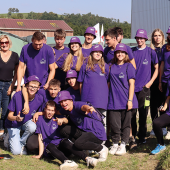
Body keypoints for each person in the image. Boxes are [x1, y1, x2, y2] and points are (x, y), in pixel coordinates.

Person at [32, 100, 98, 169]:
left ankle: (88, 159)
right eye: (48, 110)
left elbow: (66, 120)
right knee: (50, 145)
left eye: (52, 110)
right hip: (51, 150)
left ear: (55, 111)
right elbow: (40, 137)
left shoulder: (57, 117)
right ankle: (67, 162)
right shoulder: (40, 119)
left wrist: (62, 120)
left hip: (62, 146)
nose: (50, 112)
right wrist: (40, 154)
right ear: (45, 109)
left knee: (65, 141)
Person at [58, 90, 108, 162]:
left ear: (71, 100)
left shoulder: (76, 105)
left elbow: (83, 106)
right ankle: (85, 149)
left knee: (78, 144)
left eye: (65, 100)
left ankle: (101, 148)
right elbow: (57, 112)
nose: (63, 103)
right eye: (61, 102)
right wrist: (41, 113)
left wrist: (88, 108)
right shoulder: (66, 109)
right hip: (85, 132)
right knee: (64, 130)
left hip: (96, 133)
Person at [108, 43, 138, 155]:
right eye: (118, 52)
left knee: (126, 124)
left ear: (125, 54)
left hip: (126, 100)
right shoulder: (111, 66)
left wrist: (130, 100)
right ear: (115, 54)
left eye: (122, 52)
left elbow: (132, 84)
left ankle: (123, 144)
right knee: (115, 124)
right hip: (114, 100)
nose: (120, 54)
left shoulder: (129, 66)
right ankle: (115, 143)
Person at [131, 29, 158, 145]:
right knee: (132, 114)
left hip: (145, 90)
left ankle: (142, 137)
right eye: (137, 38)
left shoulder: (151, 52)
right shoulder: (131, 51)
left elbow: (157, 68)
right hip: (132, 88)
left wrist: (150, 82)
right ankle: (132, 136)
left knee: (143, 113)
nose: (139, 40)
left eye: (142, 38)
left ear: (146, 39)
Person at [5, 75, 43, 155]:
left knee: (32, 126)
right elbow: (9, 116)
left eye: (35, 87)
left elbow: (43, 112)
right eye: (31, 86)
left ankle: (22, 144)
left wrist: (37, 113)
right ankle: (9, 136)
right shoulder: (17, 96)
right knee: (16, 152)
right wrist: (16, 118)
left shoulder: (40, 99)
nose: (33, 89)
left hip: (25, 122)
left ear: (38, 88)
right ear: (26, 87)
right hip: (13, 124)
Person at [77, 44, 109, 131]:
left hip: (101, 100)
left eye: (100, 52)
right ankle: (91, 143)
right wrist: (83, 98)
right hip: (88, 100)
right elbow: (80, 83)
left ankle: (102, 142)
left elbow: (107, 82)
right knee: (89, 122)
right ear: (91, 53)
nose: (98, 54)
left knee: (102, 122)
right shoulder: (85, 66)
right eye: (96, 52)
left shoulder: (105, 67)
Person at [26, 79, 61, 153]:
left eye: (55, 89)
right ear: (48, 88)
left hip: (53, 126)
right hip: (41, 124)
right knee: (31, 145)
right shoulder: (43, 92)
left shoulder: (61, 98)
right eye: (51, 89)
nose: (53, 91)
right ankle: (41, 149)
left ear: (59, 89)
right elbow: (27, 88)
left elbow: (62, 112)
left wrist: (40, 113)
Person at [0, 35, 19, 141]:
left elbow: (17, 72)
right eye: (2, 43)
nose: (4, 44)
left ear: (9, 43)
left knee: (6, 111)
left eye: (6, 42)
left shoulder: (15, 56)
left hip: (8, 84)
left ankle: (3, 132)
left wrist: (12, 86)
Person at [149, 29, 167, 136]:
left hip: (163, 81)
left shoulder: (165, 49)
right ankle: (154, 126)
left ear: (162, 37)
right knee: (153, 105)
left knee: (163, 104)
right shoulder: (149, 50)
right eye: (155, 36)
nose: (157, 38)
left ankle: (164, 127)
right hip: (152, 82)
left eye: (159, 35)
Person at [159, 26, 170, 139]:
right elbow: (162, 65)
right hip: (165, 79)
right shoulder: (164, 48)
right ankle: (164, 128)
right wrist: (160, 81)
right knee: (164, 103)